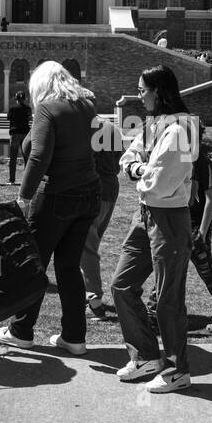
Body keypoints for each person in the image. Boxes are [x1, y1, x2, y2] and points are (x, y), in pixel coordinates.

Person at [0, 62, 102, 356]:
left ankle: (20, 331)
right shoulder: (86, 106)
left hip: (56, 196)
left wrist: (23, 197)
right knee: (69, 267)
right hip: (88, 194)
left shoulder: (47, 109)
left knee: (33, 263)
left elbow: (38, 156)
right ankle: (75, 336)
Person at [112, 66, 200, 391]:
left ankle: (178, 371)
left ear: (159, 91)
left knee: (168, 300)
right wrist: (140, 168)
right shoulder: (155, 126)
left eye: (143, 90)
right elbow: (129, 158)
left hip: (170, 220)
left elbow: (158, 184)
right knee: (122, 285)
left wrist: (138, 171)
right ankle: (146, 356)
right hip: (146, 215)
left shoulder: (179, 130)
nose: (139, 95)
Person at [153, 124, 212, 334]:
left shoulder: (202, 162)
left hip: (195, 228)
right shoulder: (180, 160)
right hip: (178, 223)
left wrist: (202, 232)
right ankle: (154, 313)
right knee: (169, 267)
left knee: (205, 272)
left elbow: (211, 199)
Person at [83, 113, 124, 319]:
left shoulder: (90, 128)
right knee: (92, 242)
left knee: (87, 245)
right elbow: (120, 158)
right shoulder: (112, 128)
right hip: (111, 186)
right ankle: (88, 294)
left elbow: (86, 161)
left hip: (95, 187)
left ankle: (95, 300)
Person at [7, 90, 32, 185]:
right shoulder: (28, 108)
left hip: (15, 133)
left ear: (16, 99)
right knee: (26, 157)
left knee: (13, 157)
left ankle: (12, 180)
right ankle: (27, 180)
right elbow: (30, 118)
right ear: (24, 99)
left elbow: (9, 118)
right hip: (25, 133)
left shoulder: (12, 108)